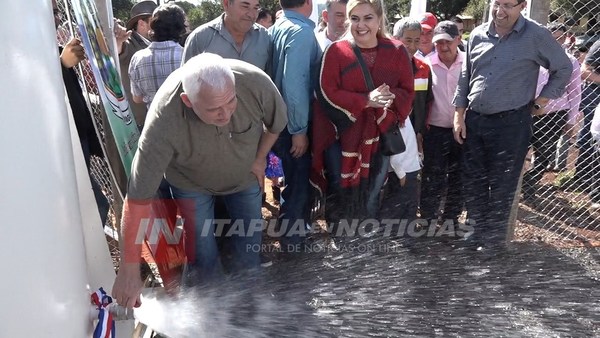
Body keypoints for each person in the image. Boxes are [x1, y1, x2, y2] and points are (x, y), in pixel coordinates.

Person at [112, 53, 287, 308]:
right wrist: (128, 269)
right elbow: (138, 198)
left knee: (249, 246)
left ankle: (250, 305)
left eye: (230, 102)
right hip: (191, 184)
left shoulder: (255, 83)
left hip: (244, 180)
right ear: (188, 101)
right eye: (214, 109)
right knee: (203, 253)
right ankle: (213, 313)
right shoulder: (163, 120)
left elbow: (277, 124)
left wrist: (260, 158)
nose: (225, 113)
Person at [452, 0, 572, 249]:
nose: (500, 11)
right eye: (497, 3)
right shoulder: (477, 34)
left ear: (522, 6)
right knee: (473, 179)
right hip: (475, 120)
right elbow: (466, 75)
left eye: (508, 5)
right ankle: (475, 232)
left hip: (511, 123)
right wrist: (458, 115)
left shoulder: (536, 35)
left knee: (502, 183)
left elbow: (563, 68)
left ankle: (493, 242)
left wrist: (542, 102)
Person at [315, 0, 414, 220]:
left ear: (379, 20)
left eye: (368, 18)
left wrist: (390, 97)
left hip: (379, 140)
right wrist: (366, 100)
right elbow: (325, 91)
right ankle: (342, 244)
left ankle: (364, 243)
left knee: (371, 193)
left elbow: (408, 92)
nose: (361, 25)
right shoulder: (336, 51)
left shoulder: (397, 51)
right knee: (339, 191)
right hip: (340, 137)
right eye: (355, 18)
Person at [269, 0, 321, 247]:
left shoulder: (277, 27)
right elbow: (294, 85)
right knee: (298, 185)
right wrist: (299, 130)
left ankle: (293, 237)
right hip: (293, 125)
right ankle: (293, 244)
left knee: (293, 182)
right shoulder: (301, 32)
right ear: (309, 2)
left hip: (279, 121)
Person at [53, 0, 109, 228]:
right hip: (60, 148)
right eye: (53, 12)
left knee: (97, 205)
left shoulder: (54, 49)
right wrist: (61, 66)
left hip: (77, 139)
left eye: (57, 11)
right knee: (96, 206)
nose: (57, 17)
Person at [522, 22, 582, 201]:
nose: (556, 41)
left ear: (565, 39)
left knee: (544, 155)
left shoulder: (570, 62)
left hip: (554, 115)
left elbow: (575, 92)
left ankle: (529, 187)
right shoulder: (533, 57)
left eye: (560, 38)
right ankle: (515, 185)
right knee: (518, 150)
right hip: (527, 111)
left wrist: (571, 120)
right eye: (552, 38)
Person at [389, 17, 433, 224]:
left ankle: (404, 230)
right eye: (408, 40)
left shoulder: (423, 68)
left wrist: (420, 132)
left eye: (417, 40)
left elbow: (425, 104)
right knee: (392, 182)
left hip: (412, 135)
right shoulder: (386, 67)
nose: (413, 46)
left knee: (409, 182)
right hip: (390, 134)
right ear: (396, 39)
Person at [420, 21, 465, 229]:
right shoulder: (427, 65)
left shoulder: (469, 63)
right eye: (439, 43)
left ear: (458, 40)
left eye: (448, 42)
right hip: (435, 131)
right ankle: (428, 219)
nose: (443, 47)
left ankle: (451, 219)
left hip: (463, 130)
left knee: (458, 176)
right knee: (432, 176)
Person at [182, 0, 270, 71]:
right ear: (226, 4)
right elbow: (184, 82)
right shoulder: (200, 38)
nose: (251, 14)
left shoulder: (265, 38)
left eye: (256, 8)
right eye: (245, 6)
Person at [128, 4, 186, 109]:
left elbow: (137, 98)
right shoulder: (188, 56)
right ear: (180, 28)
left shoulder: (137, 58)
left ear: (153, 26)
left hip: (154, 121)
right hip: (184, 120)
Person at [575, 40, 600, 206]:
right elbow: (584, 71)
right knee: (592, 135)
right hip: (595, 93)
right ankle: (584, 178)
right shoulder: (599, 45)